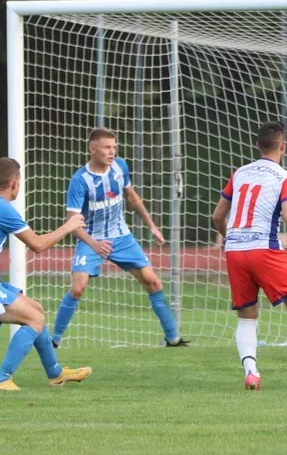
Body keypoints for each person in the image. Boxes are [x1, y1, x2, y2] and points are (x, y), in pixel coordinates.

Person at [0, 158, 91, 390]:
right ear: (15, 184)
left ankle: (56, 373)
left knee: (36, 309)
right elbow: (38, 244)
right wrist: (69, 226)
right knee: (33, 319)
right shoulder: (2, 209)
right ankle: (2, 379)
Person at [211, 122, 287, 391]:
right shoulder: (285, 177)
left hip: (234, 250)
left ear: (257, 145)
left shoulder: (239, 173)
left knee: (247, 316)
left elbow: (218, 216)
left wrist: (230, 238)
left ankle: (251, 373)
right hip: (264, 249)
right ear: (283, 146)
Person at [51, 128, 186, 348]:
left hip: (121, 237)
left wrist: (152, 225)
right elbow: (72, 224)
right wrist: (93, 244)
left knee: (153, 282)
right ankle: (54, 340)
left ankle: (173, 339)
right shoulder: (80, 180)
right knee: (77, 288)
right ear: (92, 149)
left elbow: (131, 197)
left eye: (114, 147)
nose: (112, 151)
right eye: (107, 147)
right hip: (92, 239)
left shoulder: (120, 167)